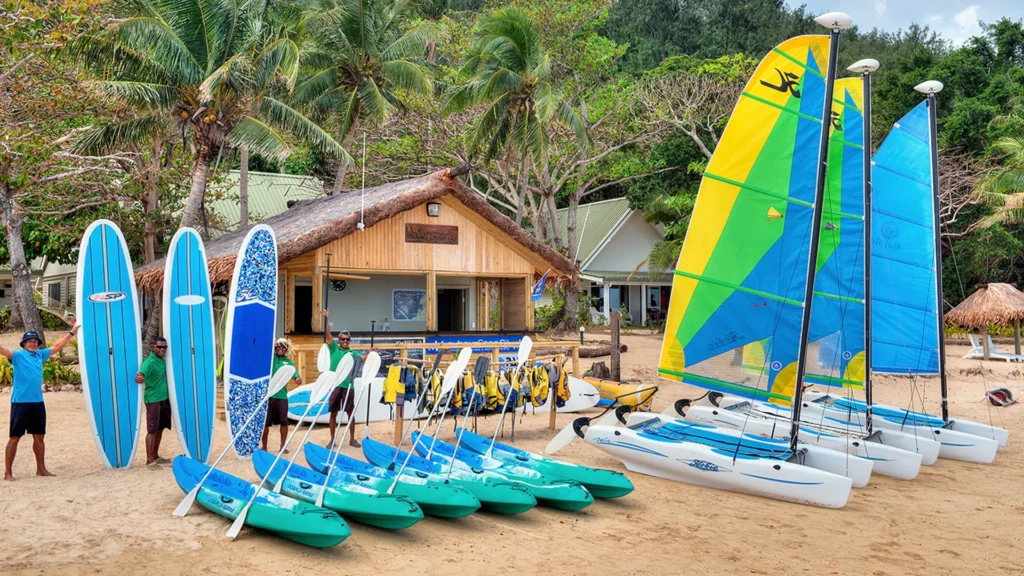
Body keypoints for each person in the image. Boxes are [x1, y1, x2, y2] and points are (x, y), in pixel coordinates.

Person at [3, 326, 79, 481]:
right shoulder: (17, 356)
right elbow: (4, 351)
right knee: (15, 437)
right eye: (29, 341)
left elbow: (57, 346)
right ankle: (8, 473)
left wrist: (72, 331)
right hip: (20, 403)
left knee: (39, 437)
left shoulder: (40, 355)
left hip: (37, 402)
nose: (32, 343)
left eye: (34, 341)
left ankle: (41, 468)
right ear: (23, 343)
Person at [321, 309, 366, 448]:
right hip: (336, 385)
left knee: (350, 413)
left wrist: (371, 354)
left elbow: (363, 358)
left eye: (347, 339)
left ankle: (352, 439)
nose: (345, 341)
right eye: (343, 339)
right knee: (333, 413)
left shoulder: (353, 353)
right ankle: (332, 440)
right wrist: (327, 318)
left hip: (349, 386)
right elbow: (327, 333)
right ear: (339, 340)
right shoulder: (334, 348)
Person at [134, 337, 172, 470]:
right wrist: (138, 378)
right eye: (160, 347)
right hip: (153, 400)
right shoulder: (149, 362)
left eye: (164, 347)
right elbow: (140, 375)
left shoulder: (163, 361)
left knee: (160, 428)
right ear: (153, 347)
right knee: (152, 430)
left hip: (164, 399)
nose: (162, 349)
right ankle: (149, 460)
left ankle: (155, 456)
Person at [263, 338, 300, 453]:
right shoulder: (271, 359)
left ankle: (282, 446)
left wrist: (298, 379)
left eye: (283, 346)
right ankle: (264, 447)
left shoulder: (289, 363)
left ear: (286, 349)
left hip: (282, 397)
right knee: (266, 423)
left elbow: (296, 376)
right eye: (279, 346)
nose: (281, 348)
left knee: (284, 422)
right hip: (269, 396)